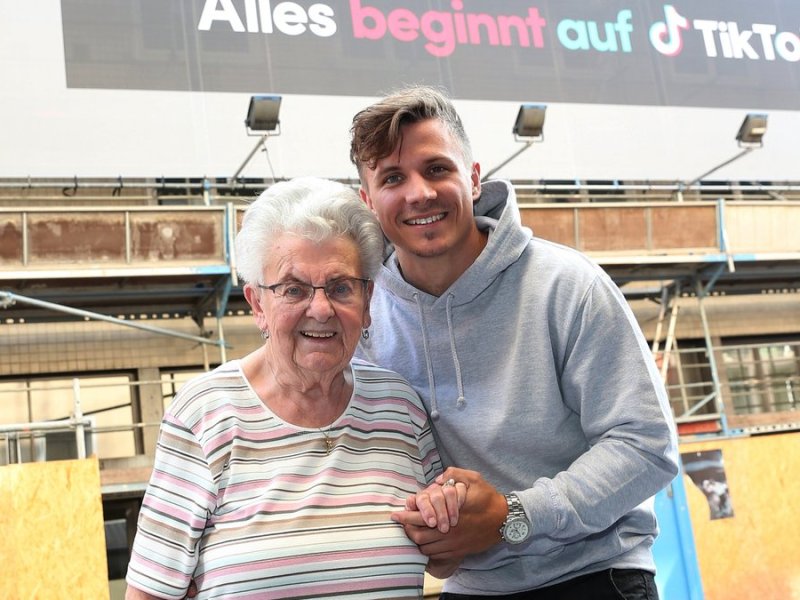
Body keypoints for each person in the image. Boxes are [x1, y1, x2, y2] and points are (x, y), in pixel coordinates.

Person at [349, 85, 680, 599]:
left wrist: (514, 516)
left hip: (593, 577)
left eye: (437, 169)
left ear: (474, 178)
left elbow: (646, 446)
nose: (418, 193)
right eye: (393, 178)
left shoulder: (568, 284)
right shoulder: (364, 321)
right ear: (369, 202)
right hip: (469, 587)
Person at [125, 177, 464, 600]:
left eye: (341, 288)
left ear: (368, 300)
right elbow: (149, 593)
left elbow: (442, 555)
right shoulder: (204, 415)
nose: (320, 309)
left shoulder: (399, 407)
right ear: (257, 304)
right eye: (293, 289)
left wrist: (447, 518)